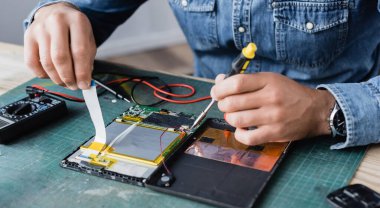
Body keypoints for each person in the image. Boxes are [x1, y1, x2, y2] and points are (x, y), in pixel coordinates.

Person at [24, 1, 380, 149]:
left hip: (340, 134)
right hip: (211, 117)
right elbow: (85, 8)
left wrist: (325, 110)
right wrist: (57, 11)